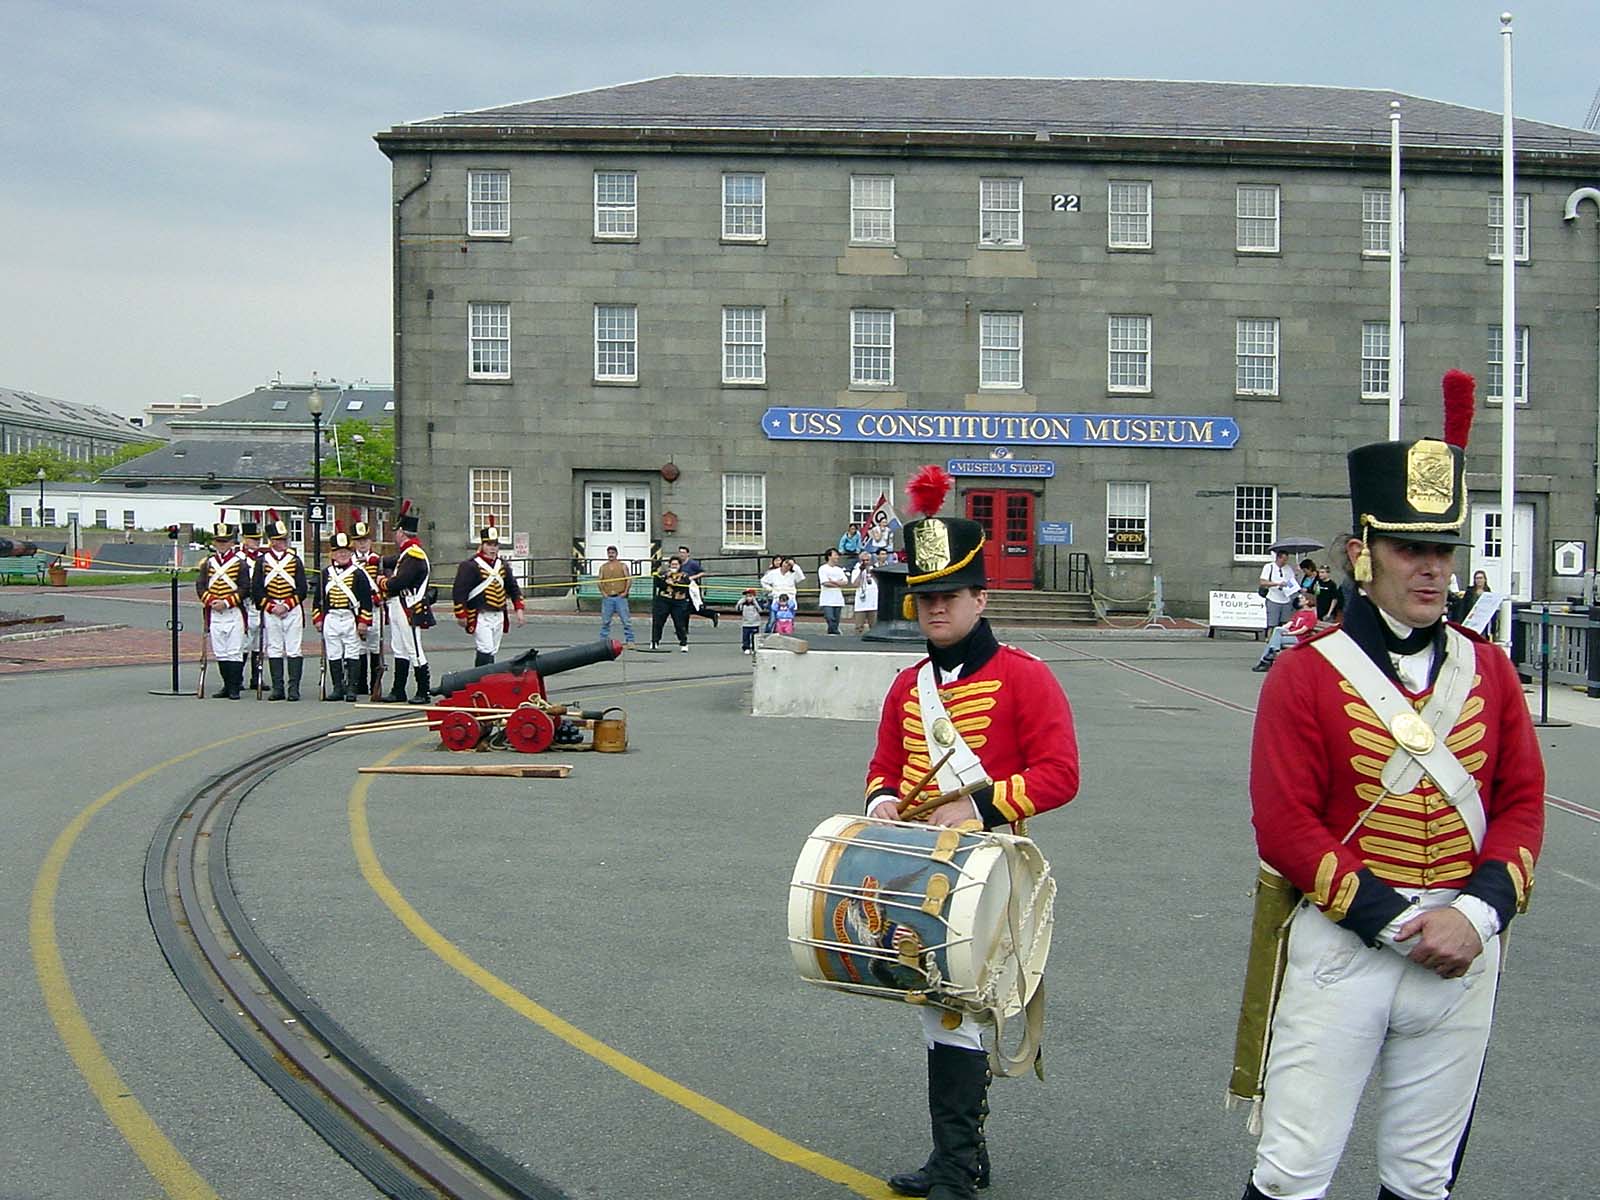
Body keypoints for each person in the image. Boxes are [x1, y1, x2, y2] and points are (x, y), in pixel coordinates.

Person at [1239, 371, 1545, 1200]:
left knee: (1422, 1179)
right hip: (1350, 943)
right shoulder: (1304, 675)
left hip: (1463, 947)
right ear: (1362, 552)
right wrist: (1402, 921)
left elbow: (1520, 803)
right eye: (1413, 548)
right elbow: (1286, 825)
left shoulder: (1490, 671)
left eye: (1443, 550)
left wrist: (1475, 914)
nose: (1432, 569)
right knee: (1293, 1171)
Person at [864, 465, 1080, 1200]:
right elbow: (883, 765)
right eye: (924, 597)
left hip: (991, 867)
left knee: (953, 1008)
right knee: (936, 1009)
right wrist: (886, 800)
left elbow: (1061, 774)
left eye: (948, 596)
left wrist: (980, 806)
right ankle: (961, 1157)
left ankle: (958, 1164)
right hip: (921, 868)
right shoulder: (906, 687)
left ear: (981, 598)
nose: (933, 609)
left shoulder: (1026, 679)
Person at [312, 528, 375, 702]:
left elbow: (366, 601)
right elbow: (318, 600)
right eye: (339, 552)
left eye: (346, 551)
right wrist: (318, 619)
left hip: (349, 617)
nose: (342, 555)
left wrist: (363, 622)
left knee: (352, 652)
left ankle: (351, 689)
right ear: (332, 554)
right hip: (331, 617)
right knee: (334, 653)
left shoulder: (358, 573)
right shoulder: (326, 574)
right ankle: (337, 688)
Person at [452, 522, 526, 666]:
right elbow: (460, 591)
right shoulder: (470, 565)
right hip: (480, 614)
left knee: (492, 649)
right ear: (482, 545)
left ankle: (486, 681)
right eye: (489, 544)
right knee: (485, 648)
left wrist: (519, 609)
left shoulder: (503, 565)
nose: (493, 548)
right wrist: (461, 614)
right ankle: (481, 680)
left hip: (498, 614)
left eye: (495, 545)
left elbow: (513, 588)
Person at [251, 512, 308, 701]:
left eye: (284, 539)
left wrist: (287, 606)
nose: (283, 542)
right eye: (279, 539)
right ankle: (278, 688)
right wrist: (271, 607)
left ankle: (294, 689)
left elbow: (302, 588)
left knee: (293, 649)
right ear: (271, 541)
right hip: (271, 609)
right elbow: (257, 589)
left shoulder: (294, 560)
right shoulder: (262, 562)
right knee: (274, 648)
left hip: (291, 610)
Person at [382, 500, 433, 703]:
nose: (395, 536)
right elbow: (392, 560)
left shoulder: (414, 555)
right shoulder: (407, 553)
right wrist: (374, 560)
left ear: (401, 532)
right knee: (399, 648)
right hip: (398, 606)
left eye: (396, 532)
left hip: (408, 606)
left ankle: (423, 690)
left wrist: (382, 581)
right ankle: (398, 689)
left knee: (414, 648)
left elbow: (399, 581)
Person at [195, 522, 251, 700]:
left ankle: (234, 688)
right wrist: (211, 601)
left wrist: (226, 602)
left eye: (224, 541)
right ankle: (226, 686)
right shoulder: (208, 563)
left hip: (233, 611)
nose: (221, 545)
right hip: (215, 612)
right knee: (220, 651)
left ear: (231, 543)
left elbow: (244, 587)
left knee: (234, 651)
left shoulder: (239, 563)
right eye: (218, 541)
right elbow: (201, 585)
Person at [351, 519, 384, 696]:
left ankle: (375, 684)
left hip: (374, 608)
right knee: (358, 646)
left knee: (374, 645)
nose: (362, 544)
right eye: (358, 540)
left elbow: (385, 583)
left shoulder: (378, 560)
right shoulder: (350, 562)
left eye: (365, 540)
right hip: (356, 608)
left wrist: (380, 597)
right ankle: (359, 682)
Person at [1251, 590, 1316, 671]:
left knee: (1274, 639)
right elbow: (1289, 623)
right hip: (1291, 635)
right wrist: (1284, 629)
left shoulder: (1311, 615)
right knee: (1277, 632)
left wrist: (1288, 634)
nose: (1299, 599)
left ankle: (1265, 661)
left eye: (1302, 598)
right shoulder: (1299, 613)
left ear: (1307, 601)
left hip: (1299, 638)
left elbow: (1302, 630)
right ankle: (1272, 652)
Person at [239, 519, 264, 691]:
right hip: (245, 604)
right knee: (243, 643)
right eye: (252, 539)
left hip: (259, 605)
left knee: (259, 643)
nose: (256, 543)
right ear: (244, 539)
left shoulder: (263, 558)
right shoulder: (238, 558)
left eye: (258, 540)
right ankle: (237, 678)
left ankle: (256, 678)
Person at [596, 545, 637, 647]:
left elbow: (629, 579)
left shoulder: (622, 565)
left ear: (616, 554)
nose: (611, 555)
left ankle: (630, 641)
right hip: (608, 598)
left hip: (620, 597)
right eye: (609, 553)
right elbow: (599, 581)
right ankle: (603, 641)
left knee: (626, 620)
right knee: (605, 621)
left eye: (613, 553)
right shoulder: (603, 567)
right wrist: (603, 593)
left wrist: (625, 592)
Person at [651, 555, 692, 651]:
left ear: (680, 565)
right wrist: (665, 582)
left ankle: (683, 643)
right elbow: (658, 584)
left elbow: (685, 586)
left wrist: (673, 583)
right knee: (658, 622)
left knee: (679, 623)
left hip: (678, 602)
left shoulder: (684, 575)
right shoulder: (663, 574)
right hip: (664, 600)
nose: (674, 566)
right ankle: (654, 641)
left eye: (676, 564)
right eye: (672, 564)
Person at [676, 544, 719, 627]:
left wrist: (692, 577)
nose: (681, 554)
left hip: (692, 588)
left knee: (693, 608)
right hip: (682, 588)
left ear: (688, 554)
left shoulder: (692, 563)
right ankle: (712, 615)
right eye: (680, 552)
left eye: (683, 553)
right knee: (687, 609)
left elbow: (702, 572)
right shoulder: (679, 564)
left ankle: (712, 614)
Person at [1258, 549, 1301, 629]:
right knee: (1272, 623)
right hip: (1273, 598)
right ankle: (1270, 638)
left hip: (1286, 598)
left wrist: (1295, 576)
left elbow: (1291, 582)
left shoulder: (1288, 568)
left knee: (1285, 622)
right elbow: (1263, 582)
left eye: (1286, 560)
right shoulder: (1269, 567)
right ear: (1278, 558)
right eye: (1283, 560)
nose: (1285, 562)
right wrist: (1277, 584)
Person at [816, 548, 850, 635]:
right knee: (830, 618)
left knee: (836, 619)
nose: (837, 557)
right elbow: (825, 583)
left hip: (838, 599)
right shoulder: (823, 568)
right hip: (827, 599)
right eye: (835, 555)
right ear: (829, 556)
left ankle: (833, 634)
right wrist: (838, 583)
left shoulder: (839, 569)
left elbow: (845, 581)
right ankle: (835, 632)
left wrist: (833, 581)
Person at [851, 550, 878, 633]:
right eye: (863, 560)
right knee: (859, 627)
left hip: (873, 603)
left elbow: (879, 583)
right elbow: (855, 584)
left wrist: (872, 574)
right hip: (861, 603)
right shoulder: (856, 570)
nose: (866, 562)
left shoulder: (875, 570)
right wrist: (861, 572)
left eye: (867, 560)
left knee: (874, 626)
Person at [737, 587, 763, 653]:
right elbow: (738, 609)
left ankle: (755, 648)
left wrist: (755, 602)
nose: (748, 598)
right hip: (746, 623)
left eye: (750, 596)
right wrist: (739, 603)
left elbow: (760, 610)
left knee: (755, 637)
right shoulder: (743, 604)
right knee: (746, 637)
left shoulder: (756, 603)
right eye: (747, 596)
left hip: (755, 623)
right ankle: (746, 647)